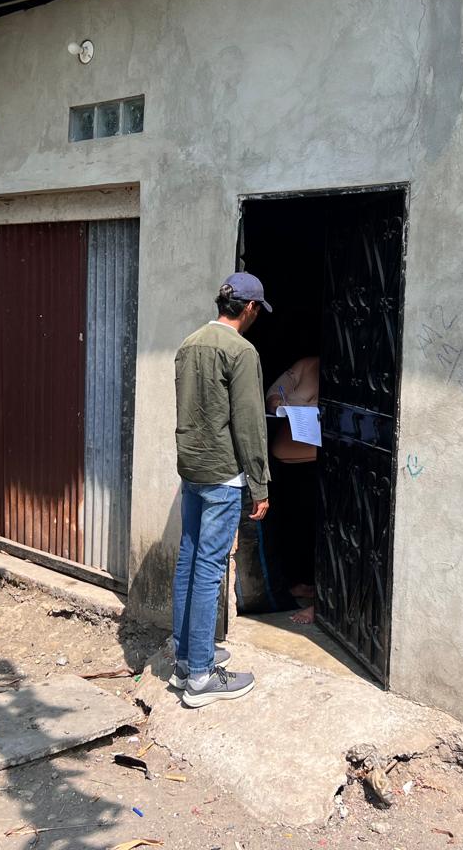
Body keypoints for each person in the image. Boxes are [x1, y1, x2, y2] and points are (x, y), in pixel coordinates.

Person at [171, 272, 272, 707]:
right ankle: (200, 676)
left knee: (189, 560)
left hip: (193, 468)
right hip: (223, 475)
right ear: (249, 308)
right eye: (257, 310)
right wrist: (259, 483)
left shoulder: (189, 343)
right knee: (209, 569)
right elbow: (249, 423)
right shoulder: (241, 351)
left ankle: (185, 659)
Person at [266, 356, 319, 624]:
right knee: (289, 525)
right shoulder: (306, 366)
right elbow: (274, 393)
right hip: (285, 464)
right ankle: (298, 582)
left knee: (315, 528)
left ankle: (318, 594)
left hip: (317, 464)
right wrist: (279, 404)